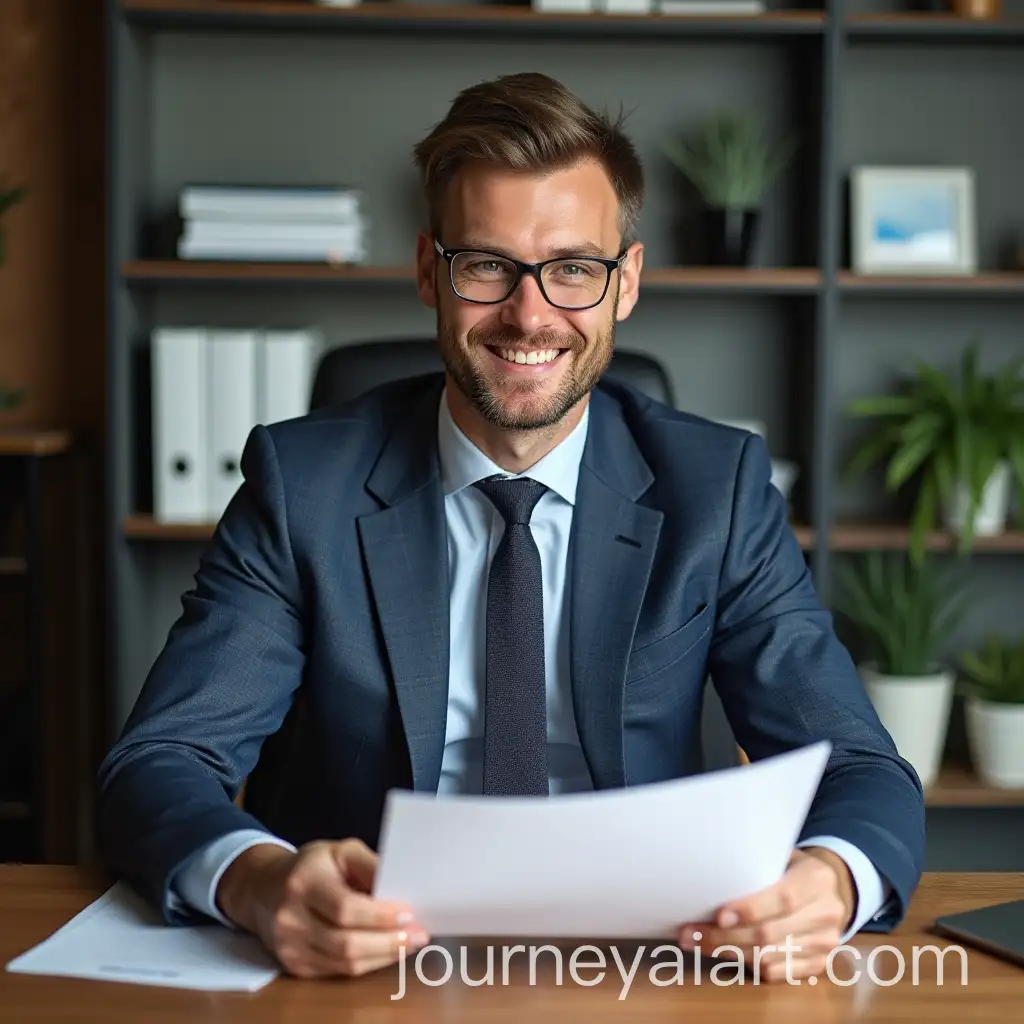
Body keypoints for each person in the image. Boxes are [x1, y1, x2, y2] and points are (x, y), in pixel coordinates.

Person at [96, 71, 924, 985]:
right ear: (428, 273)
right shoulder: (306, 487)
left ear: (627, 285)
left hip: (645, 969)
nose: (530, 315)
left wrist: (832, 882)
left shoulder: (716, 491)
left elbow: (859, 766)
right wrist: (258, 884)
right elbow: (161, 761)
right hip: (365, 965)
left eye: (574, 268)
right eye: (487, 265)